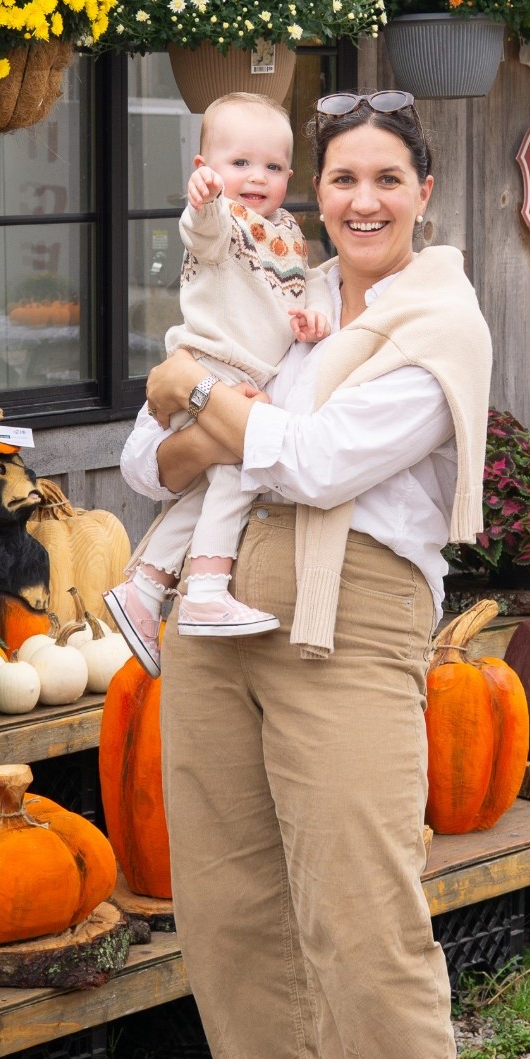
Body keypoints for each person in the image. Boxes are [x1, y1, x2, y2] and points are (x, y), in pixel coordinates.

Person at [119, 90, 510, 1059]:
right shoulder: (281, 281)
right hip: (217, 612)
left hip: (353, 615)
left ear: (424, 191)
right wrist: (199, 408)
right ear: (313, 190)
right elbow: (144, 464)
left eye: (386, 178)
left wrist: (187, 389)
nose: (361, 200)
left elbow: (322, 458)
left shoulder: (437, 320)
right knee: (228, 890)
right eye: (341, 178)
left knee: (365, 907)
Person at [107, 92, 331, 672]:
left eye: (273, 167)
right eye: (239, 164)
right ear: (205, 169)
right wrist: (204, 203)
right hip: (212, 369)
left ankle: (144, 588)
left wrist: (310, 319)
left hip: (242, 376)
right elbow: (201, 234)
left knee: (210, 487)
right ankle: (204, 590)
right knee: (238, 469)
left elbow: (294, 295)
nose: (257, 177)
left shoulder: (288, 234)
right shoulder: (223, 223)